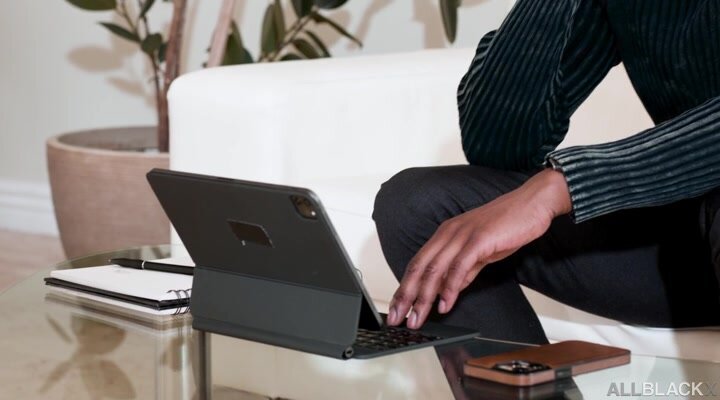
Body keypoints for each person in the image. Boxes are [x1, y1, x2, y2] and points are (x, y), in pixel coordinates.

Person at [372, 0, 720, 344]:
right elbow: (498, 145)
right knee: (417, 205)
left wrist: (564, 185)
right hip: (683, 243)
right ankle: (522, 377)